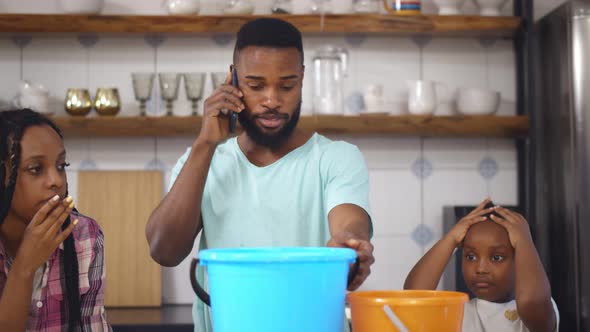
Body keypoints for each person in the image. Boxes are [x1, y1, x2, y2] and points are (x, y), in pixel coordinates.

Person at [145, 18, 374, 331]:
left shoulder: (336, 157)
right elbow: (163, 251)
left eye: (287, 85)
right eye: (255, 85)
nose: (272, 100)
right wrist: (205, 143)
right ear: (233, 79)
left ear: (303, 78)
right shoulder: (202, 161)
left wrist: (350, 243)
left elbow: (350, 223)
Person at [0, 109, 110, 332]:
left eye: (61, 166)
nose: (56, 180)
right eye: (36, 169)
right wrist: (24, 266)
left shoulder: (84, 236)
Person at [404, 199, 559, 332]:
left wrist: (524, 241)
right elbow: (413, 296)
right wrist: (451, 239)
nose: (480, 268)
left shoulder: (539, 307)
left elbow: (530, 302)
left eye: (497, 257)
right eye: (471, 256)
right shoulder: (459, 312)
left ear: (522, 261)